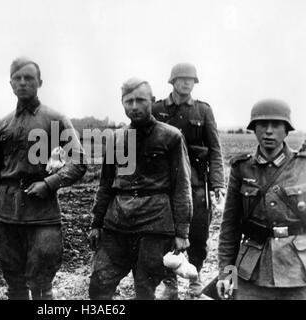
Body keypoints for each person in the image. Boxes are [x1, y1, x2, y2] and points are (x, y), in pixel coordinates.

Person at [0, 57, 87, 300]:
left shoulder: (56, 119)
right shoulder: (2, 125)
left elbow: (79, 161)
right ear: (10, 84)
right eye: (17, 78)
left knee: (41, 285)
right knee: (14, 283)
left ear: (39, 82)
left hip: (42, 213)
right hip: (7, 214)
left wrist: (49, 184)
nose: (22, 83)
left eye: (28, 78)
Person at [88, 78, 192, 300]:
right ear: (122, 103)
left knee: (145, 289)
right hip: (117, 223)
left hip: (154, 225)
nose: (134, 106)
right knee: (99, 284)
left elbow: (181, 186)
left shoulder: (171, 136)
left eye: (140, 100)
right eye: (128, 101)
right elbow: (106, 184)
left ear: (152, 101)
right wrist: (96, 223)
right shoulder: (115, 139)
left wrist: (182, 232)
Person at [217, 99, 306, 300]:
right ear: (254, 129)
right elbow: (230, 226)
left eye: (276, 125)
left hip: (298, 271)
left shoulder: (303, 166)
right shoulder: (242, 168)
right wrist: (226, 273)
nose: (268, 131)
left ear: (286, 130)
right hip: (252, 272)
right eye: (262, 125)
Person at [152, 63, 225, 299]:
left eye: (191, 79)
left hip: (195, 182)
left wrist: (217, 184)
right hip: (164, 181)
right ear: (172, 81)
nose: (187, 83)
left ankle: (196, 277)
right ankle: (169, 280)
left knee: (198, 231)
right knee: (165, 230)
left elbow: (214, 150)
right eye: (182, 79)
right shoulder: (157, 108)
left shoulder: (203, 111)